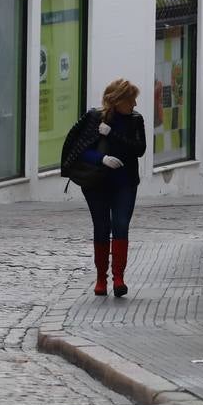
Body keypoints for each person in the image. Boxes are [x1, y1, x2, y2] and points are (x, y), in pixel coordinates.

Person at [65, 78, 148, 298]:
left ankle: (118, 279)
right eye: (131, 100)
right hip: (96, 184)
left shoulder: (135, 120)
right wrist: (102, 159)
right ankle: (101, 278)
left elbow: (139, 149)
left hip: (125, 183)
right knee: (101, 227)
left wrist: (112, 134)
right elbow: (80, 149)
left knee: (121, 225)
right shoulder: (94, 118)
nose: (135, 105)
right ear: (118, 100)